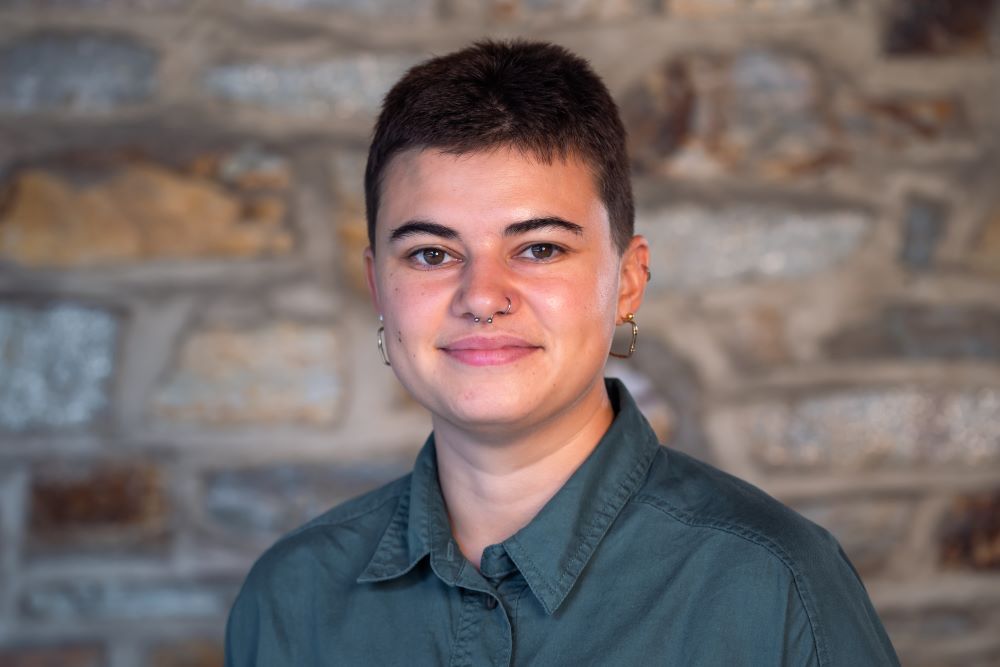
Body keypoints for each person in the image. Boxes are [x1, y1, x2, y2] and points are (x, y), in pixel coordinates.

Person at [225, 40, 899, 666]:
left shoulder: (776, 586)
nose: (482, 296)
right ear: (379, 287)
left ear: (628, 281)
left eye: (539, 247)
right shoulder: (292, 599)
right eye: (432, 253)